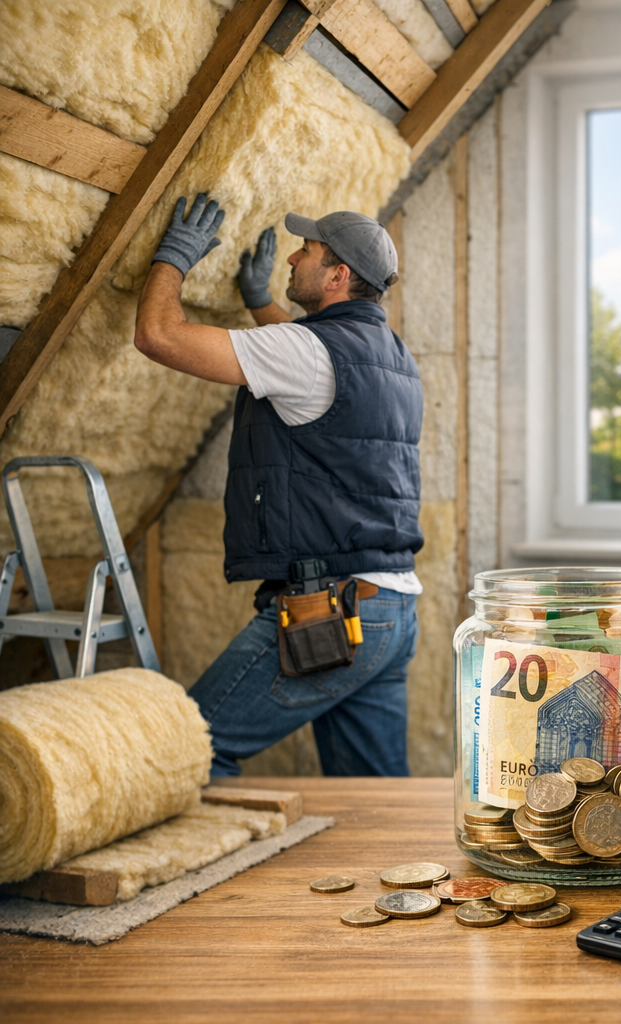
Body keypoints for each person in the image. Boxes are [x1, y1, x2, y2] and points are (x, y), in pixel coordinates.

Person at [134, 193, 423, 777]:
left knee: (189, 751)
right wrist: (261, 302)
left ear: (338, 275)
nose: (292, 258)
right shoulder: (393, 356)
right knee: (372, 797)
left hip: (331, 613)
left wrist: (172, 257)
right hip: (388, 608)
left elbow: (159, 335)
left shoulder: (308, 351)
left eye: (307, 251)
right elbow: (311, 365)